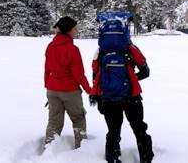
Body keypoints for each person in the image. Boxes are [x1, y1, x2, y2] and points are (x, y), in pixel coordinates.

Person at [90, 12, 154, 163]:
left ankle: (112, 158)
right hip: (131, 97)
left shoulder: (100, 51)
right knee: (139, 129)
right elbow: (145, 72)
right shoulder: (131, 48)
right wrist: (130, 79)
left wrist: (98, 96)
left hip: (108, 97)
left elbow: (95, 76)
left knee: (113, 132)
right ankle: (146, 158)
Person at [43, 16, 92, 149]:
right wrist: (89, 90)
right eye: (75, 28)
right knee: (78, 119)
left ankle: (49, 149)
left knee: (54, 121)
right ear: (68, 30)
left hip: (52, 90)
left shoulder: (50, 46)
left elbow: (47, 69)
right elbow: (79, 74)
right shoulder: (72, 49)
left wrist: (48, 85)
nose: (77, 30)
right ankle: (82, 149)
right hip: (70, 91)